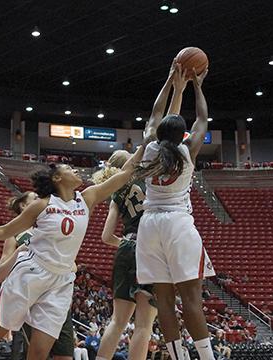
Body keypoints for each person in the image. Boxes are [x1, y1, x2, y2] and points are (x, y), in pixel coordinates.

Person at [0, 146, 146, 360]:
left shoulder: (87, 198)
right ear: (57, 177)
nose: (76, 171)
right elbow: (5, 231)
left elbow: (125, 174)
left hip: (61, 282)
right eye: (69, 168)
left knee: (40, 352)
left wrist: (145, 146)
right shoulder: (41, 205)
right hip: (30, 273)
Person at [93, 62, 187, 360]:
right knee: (144, 327)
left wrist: (128, 242)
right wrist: (178, 88)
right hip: (151, 245)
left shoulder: (117, 189)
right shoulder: (152, 164)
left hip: (128, 246)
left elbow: (107, 236)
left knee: (117, 322)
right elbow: (165, 123)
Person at [135, 65, 214, 360]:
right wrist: (197, 85)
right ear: (183, 134)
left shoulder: (149, 149)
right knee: (192, 300)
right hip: (177, 224)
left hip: (149, 225)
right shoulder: (187, 150)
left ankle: (178, 357)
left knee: (164, 301)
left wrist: (170, 82)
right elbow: (203, 118)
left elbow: (156, 114)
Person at [0, 191, 76, 360]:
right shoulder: (14, 235)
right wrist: (20, 251)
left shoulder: (51, 229)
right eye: (36, 198)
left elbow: (74, 267)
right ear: (24, 206)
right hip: (31, 299)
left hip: (58, 300)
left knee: (65, 357)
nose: (42, 201)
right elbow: (1, 273)